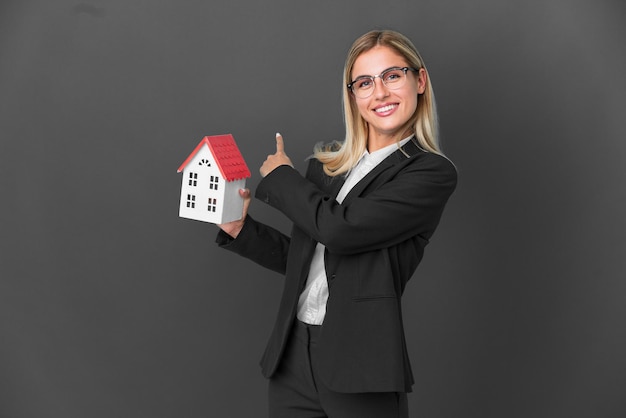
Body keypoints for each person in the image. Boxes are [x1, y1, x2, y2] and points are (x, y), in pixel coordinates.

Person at [216, 29, 457, 418]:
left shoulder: (429, 173)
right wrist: (241, 231)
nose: (379, 93)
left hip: (361, 364)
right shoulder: (326, 168)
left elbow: (340, 231)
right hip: (292, 356)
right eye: (365, 82)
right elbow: (308, 260)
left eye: (392, 75)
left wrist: (280, 177)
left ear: (420, 81)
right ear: (353, 96)